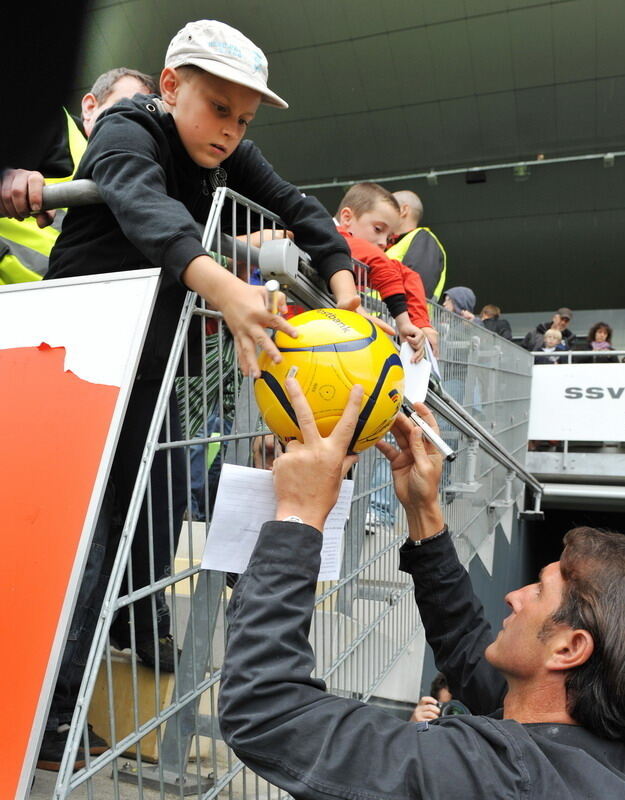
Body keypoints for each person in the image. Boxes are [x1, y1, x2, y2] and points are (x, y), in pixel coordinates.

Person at [28, 18, 369, 770]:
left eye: (243, 119)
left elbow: (298, 207)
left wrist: (344, 284)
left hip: (146, 372)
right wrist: (225, 289)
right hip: (73, 362)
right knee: (70, 539)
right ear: (172, 88)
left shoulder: (226, 150)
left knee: (114, 540)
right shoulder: (129, 129)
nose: (231, 132)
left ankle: (60, 706)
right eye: (220, 110)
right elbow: (147, 212)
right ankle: (44, 718)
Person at [219, 379, 625, 799]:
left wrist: (298, 515)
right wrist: (423, 511)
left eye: (538, 590)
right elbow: (468, 650)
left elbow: (271, 713)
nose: (514, 596)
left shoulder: (499, 778)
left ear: (570, 648)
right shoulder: (598, 753)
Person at [0, 68, 156, 284]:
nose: (132, 123)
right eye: (123, 108)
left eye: (144, 120)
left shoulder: (142, 173)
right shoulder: (50, 126)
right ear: (90, 108)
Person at [335, 182, 437, 360]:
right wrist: (404, 322)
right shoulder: (331, 235)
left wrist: (421, 323)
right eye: (378, 229)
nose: (384, 243)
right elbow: (378, 260)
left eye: (389, 237)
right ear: (347, 218)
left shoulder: (364, 255)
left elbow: (409, 275)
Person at [385, 189, 447, 301]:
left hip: (393, 317)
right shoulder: (396, 245)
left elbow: (416, 289)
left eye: (387, 209)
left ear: (403, 210)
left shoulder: (424, 240)